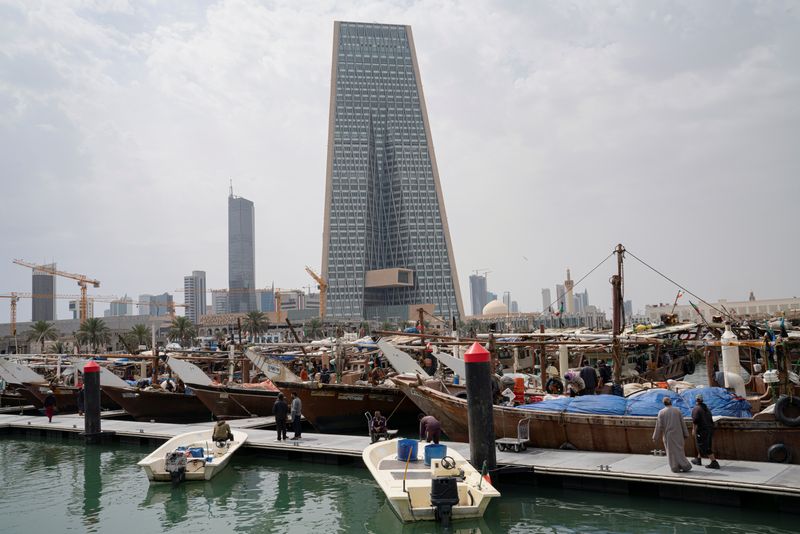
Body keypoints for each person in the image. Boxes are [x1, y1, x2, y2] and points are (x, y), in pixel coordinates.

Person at [653, 397, 692, 473]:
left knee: (671, 453)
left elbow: (659, 426)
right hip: (678, 434)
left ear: (664, 403)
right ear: (671, 402)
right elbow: (682, 423)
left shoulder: (661, 412)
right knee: (680, 451)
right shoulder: (677, 410)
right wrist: (686, 433)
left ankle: (675, 467)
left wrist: (655, 437)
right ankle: (685, 466)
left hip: (668, 436)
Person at [692, 394, 720, 469]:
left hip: (702, 430)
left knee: (704, 446)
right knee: (704, 444)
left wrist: (694, 430)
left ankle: (714, 462)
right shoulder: (707, 409)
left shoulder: (696, 409)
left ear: (696, 400)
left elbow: (695, 421)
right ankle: (698, 459)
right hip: (709, 429)